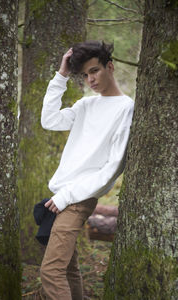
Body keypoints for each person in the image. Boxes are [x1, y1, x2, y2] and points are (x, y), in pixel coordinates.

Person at [40, 41, 134, 300]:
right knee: (68, 270)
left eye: (94, 71)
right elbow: (49, 120)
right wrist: (61, 76)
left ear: (110, 67)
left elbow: (112, 167)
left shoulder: (126, 108)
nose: (90, 79)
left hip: (76, 200)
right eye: (84, 75)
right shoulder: (85, 105)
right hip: (62, 196)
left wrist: (67, 197)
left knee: (50, 272)